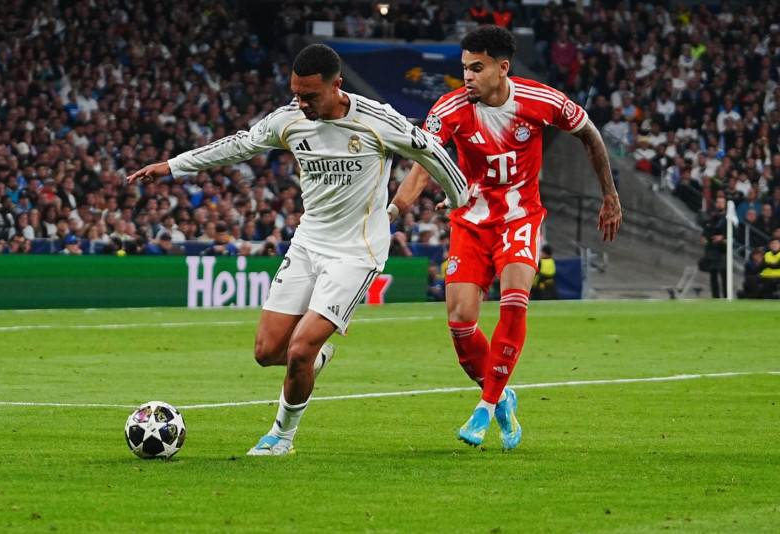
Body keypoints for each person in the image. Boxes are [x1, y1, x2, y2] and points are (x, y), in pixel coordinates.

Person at [128, 44, 469, 456]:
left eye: (310, 95)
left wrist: (460, 198)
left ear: (336, 85)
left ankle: (281, 437)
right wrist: (173, 166)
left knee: (300, 348)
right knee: (267, 352)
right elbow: (239, 144)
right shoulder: (289, 119)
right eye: (296, 93)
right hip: (308, 243)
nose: (302, 103)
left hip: (356, 252)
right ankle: (314, 360)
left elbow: (431, 151)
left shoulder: (377, 119)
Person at [390, 26, 621, 450]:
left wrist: (610, 195)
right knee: (460, 324)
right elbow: (422, 167)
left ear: (502, 68)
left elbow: (589, 133)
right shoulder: (449, 108)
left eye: (477, 68)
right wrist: (392, 212)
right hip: (471, 221)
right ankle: (502, 397)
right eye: (464, 67)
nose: (468, 76)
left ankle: (485, 407)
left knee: (514, 303)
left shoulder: (540, 100)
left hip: (520, 217)